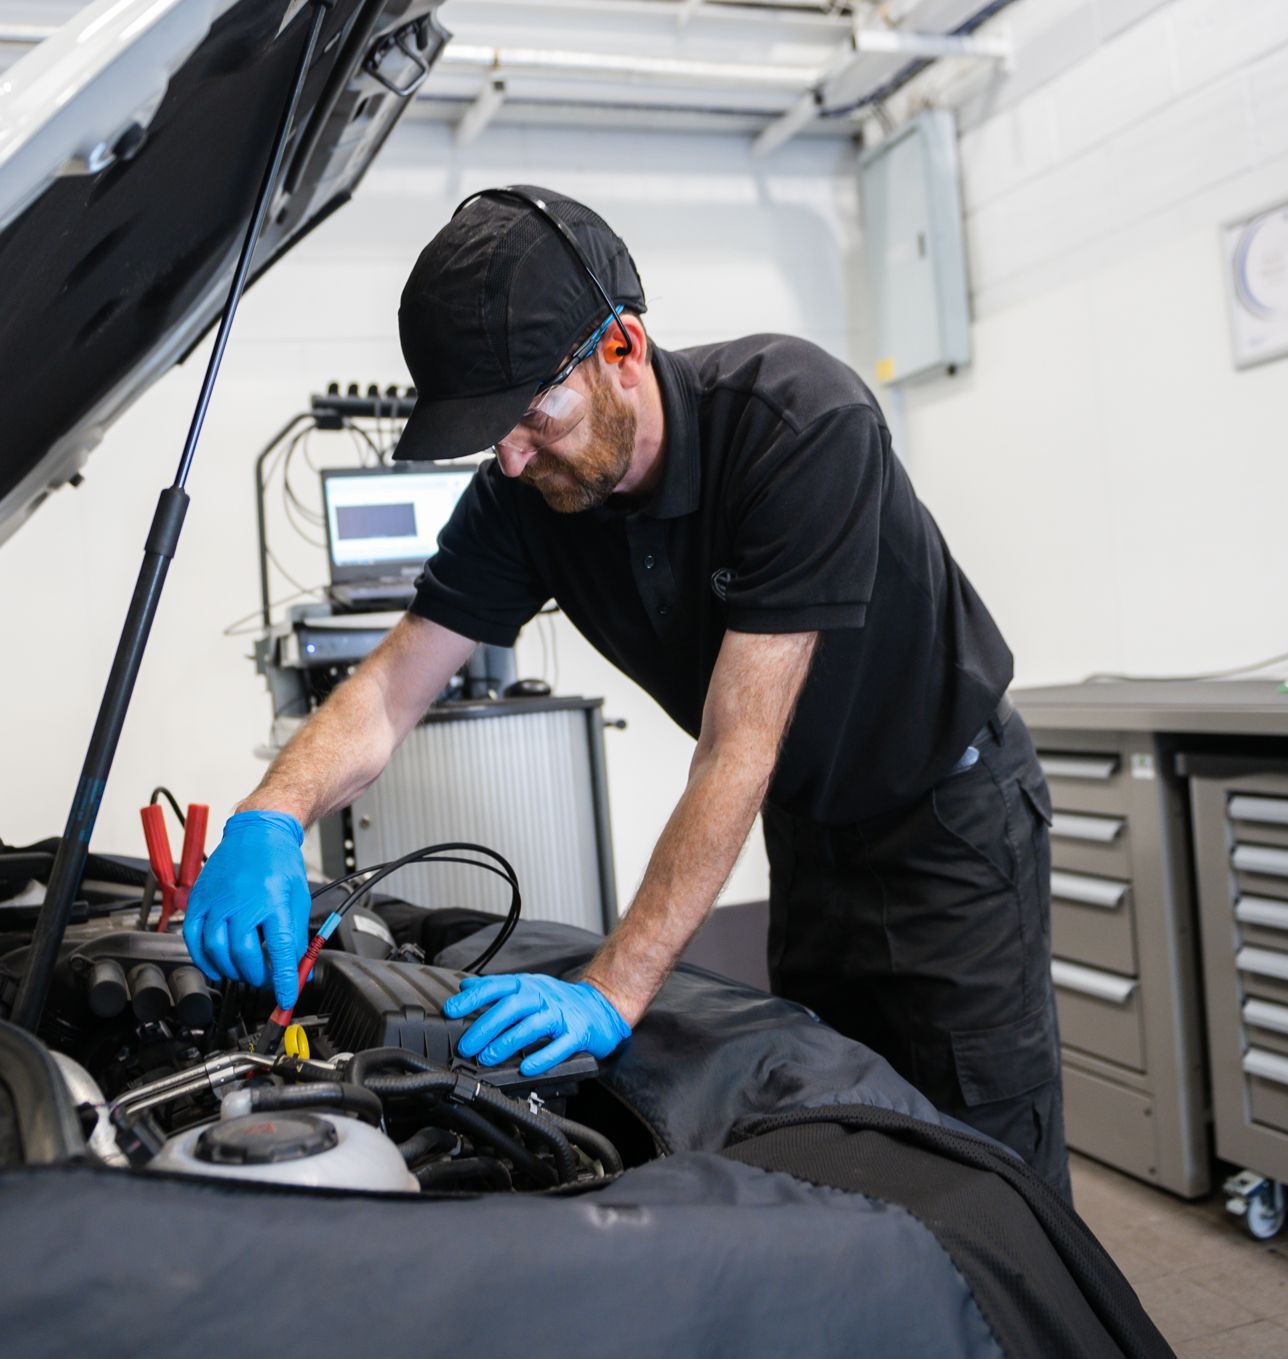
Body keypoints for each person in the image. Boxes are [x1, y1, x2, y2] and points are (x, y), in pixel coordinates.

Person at [183, 186, 1068, 1195]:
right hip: (808, 829)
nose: (510, 455)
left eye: (528, 414)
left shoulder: (796, 423)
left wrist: (611, 988)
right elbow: (393, 684)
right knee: (851, 1115)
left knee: (984, 1146)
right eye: (491, 435)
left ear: (620, 350)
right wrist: (270, 815)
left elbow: (737, 742)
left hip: (945, 819)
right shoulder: (522, 496)